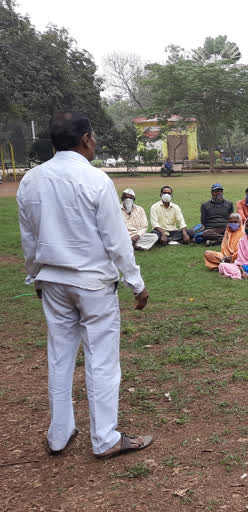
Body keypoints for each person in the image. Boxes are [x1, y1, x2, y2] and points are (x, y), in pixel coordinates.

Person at [17, 111, 151, 458]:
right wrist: (136, 283)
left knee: (60, 357)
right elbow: (116, 241)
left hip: (53, 281)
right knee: (102, 359)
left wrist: (35, 275)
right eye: (94, 137)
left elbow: (29, 239)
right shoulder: (95, 180)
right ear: (86, 138)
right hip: (92, 283)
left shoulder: (31, 180)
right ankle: (105, 438)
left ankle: (60, 433)